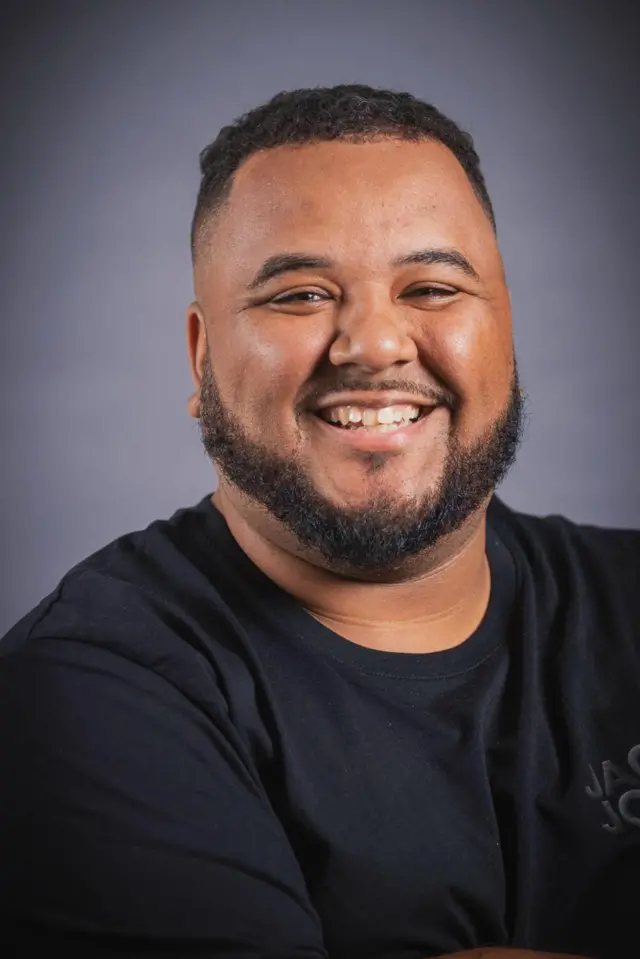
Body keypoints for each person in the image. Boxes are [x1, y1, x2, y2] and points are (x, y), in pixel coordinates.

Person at [0, 84, 637, 959]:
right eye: (300, 295)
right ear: (202, 356)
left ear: (508, 333)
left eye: (433, 287)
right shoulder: (87, 694)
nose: (374, 344)